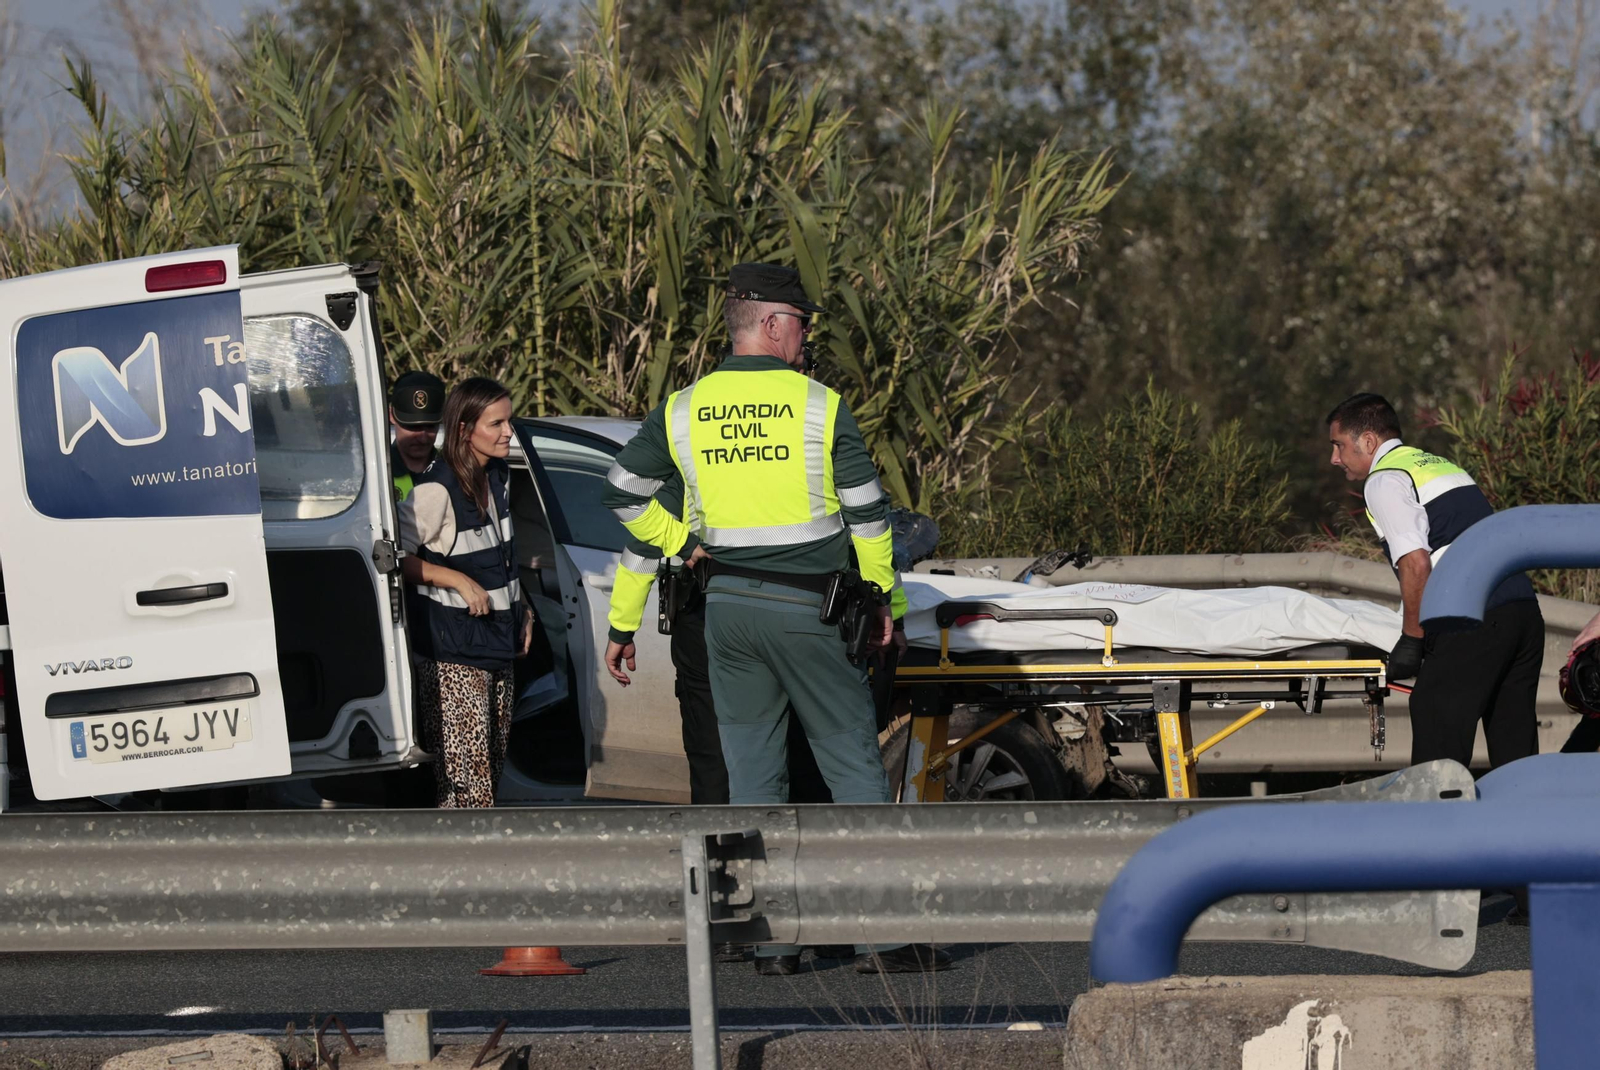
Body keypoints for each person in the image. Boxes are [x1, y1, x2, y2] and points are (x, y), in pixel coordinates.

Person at [602, 262, 947, 975]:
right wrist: (885, 601)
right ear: (771, 323)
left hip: (727, 612)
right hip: (806, 608)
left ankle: (771, 942)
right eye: (802, 324)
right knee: (851, 761)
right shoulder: (820, 405)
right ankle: (885, 938)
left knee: (752, 773)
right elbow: (868, 515)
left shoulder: (683, 407)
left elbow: (624, 490)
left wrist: (682, 546)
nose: (805, 338)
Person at [1326, 393, 1543, 770]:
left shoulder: (1384, 479)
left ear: (1368, 442)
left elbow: (1416, 562)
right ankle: (1530, 826)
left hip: (1471, 616)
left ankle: (1436, 827)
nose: (1334, 458)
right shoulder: (1439, 464)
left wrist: (1412, 639)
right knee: (1515, 754)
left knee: (1436, 739)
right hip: (1522, 613)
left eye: (1338, 445)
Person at [398, 376, 534, 808]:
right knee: (465, 791)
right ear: (463, 429)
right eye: (495, 424)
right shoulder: (436, 488)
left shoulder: (498, 476)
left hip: (499, 646)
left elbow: (504, 557)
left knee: (487, 783)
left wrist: (523, 608)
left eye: (507, 421)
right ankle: (464, 871)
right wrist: (455, 579)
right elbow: (394, 559)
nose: (508, 432)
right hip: (454, 658)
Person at [390, 370, 447, 500]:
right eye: (412, 427)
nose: (422, 437)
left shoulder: (454, 472)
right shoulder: (374, 474)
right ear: (391, 416)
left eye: (430, 426)